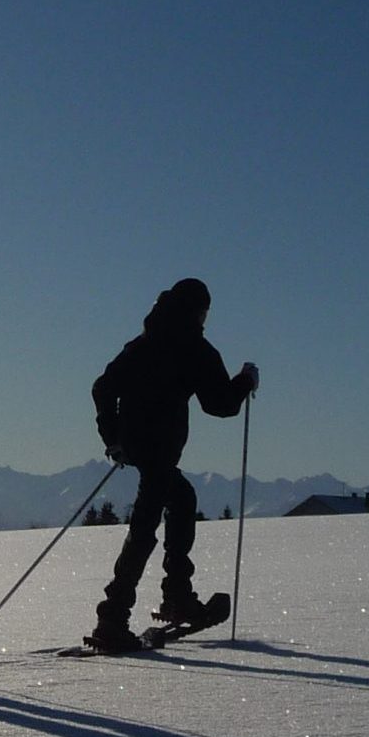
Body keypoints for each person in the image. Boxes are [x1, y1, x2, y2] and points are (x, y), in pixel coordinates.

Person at [85, 277, 257, 652]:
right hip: (160, 447)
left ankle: (172, 595)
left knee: (179, 500)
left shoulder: (143, 343)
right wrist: (245, 381)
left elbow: (102, 387)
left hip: (137, 446)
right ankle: (114, 616)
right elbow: (221, 404)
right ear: (197, 311)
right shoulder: (194, 347)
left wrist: (113, 437)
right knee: (146, 524)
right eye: (204, 312)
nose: (204, 319)